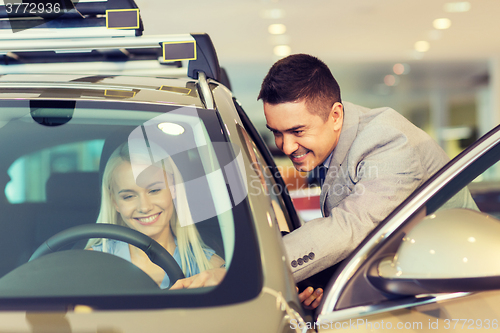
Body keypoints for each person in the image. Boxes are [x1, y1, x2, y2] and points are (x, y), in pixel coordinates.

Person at [258, 54, 476, 288]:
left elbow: (350, 226)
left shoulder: (388, 142)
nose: (285, 146)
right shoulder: (335, 141)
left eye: (298, 131)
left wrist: (257, 266)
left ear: (335, 116)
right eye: (276, 132)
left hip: (456, 285)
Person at [87, 142, 226, 289]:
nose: (145, 207)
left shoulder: (209, 268)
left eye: (154, 190)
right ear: (115, 202)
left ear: (174, 189)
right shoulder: (89, 263)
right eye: (128, 196)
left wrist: (226, 276)